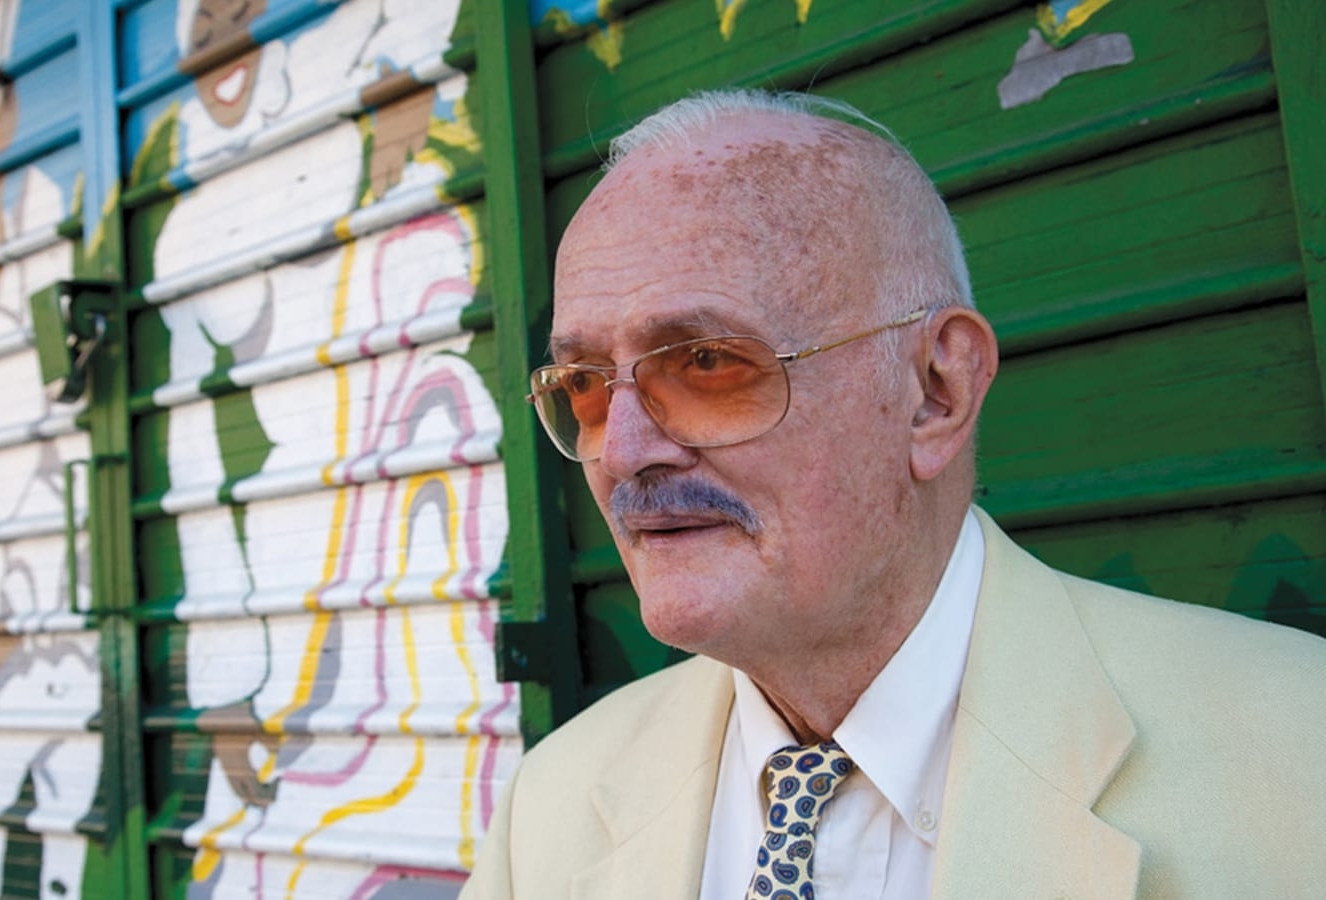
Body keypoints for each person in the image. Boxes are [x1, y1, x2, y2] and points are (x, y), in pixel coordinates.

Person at [461, 89, 1326, 899]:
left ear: (936, 391)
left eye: (707, 362)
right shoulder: (551, 807)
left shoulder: (1298, 758)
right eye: (582, 383)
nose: (625, 452)